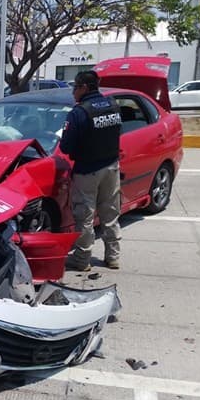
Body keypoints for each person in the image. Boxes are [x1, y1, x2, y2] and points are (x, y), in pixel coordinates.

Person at [59, 70, 122, 271]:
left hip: (87, 171)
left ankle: (82, 260)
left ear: (84, 87)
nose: (72, 93)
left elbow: (66, 147)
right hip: (111, 167)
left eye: (75, 88)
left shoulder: (78, 113)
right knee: (110, 212)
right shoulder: (113, 105)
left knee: (84, 216)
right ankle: (113, 257)